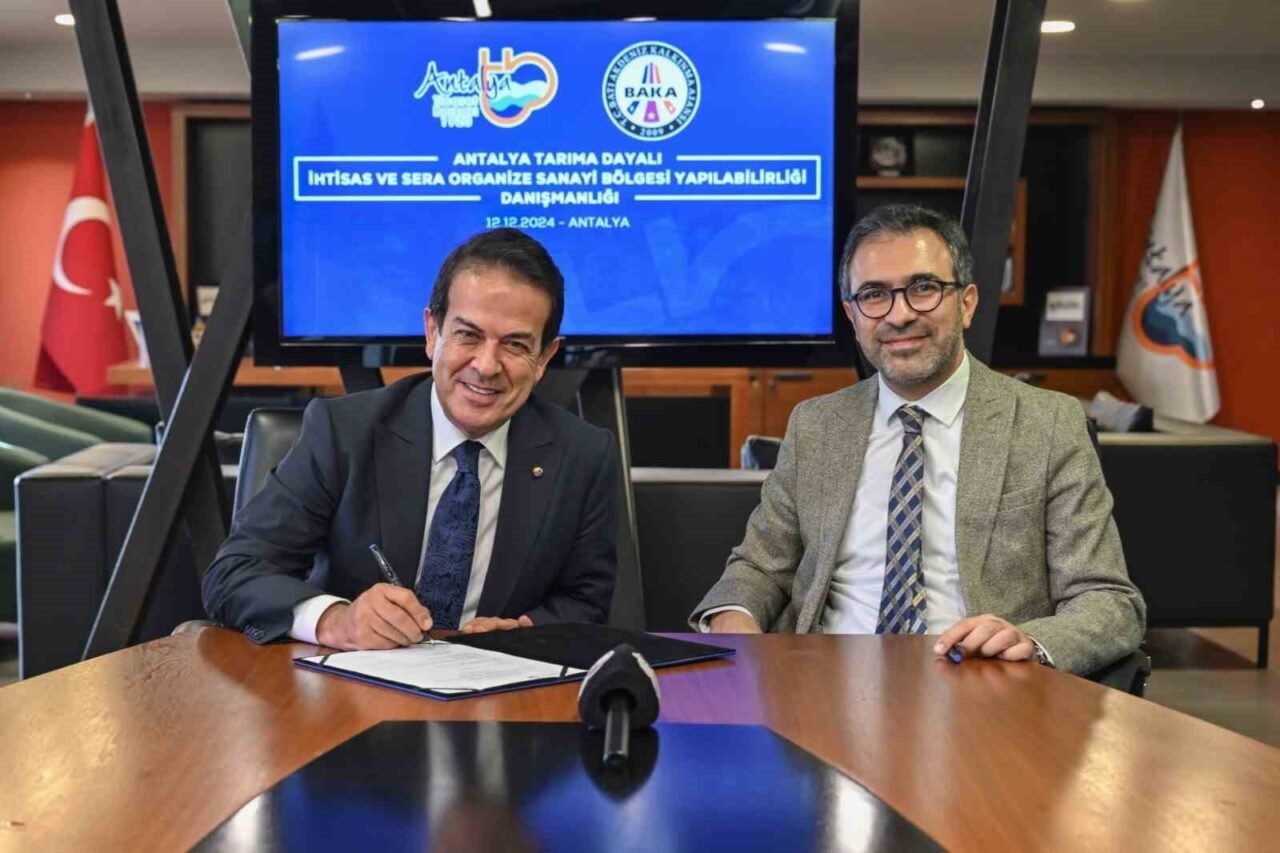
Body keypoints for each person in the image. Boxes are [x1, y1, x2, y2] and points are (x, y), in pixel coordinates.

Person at [691, 205, 1145, 675]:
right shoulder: (816, 425)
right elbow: (759, 567)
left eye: (924, 288)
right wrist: (734, 617)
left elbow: (1109, 601)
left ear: (966, 303)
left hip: (981, 684)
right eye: (874, 295)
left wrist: (1030, 642)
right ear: (851, 315)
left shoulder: (1047, 424)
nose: (900, 314)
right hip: (824, 680)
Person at [203, 229, 619, 650]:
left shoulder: (582, 455)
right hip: (351, 681)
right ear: (432, 332)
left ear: (544, 357)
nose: (486, 366)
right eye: (468, 335)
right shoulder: (343, 432)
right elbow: (235, 572)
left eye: (514, 344)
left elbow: (586, 601)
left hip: (498, 683)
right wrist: (336, 621)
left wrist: (530, 632)